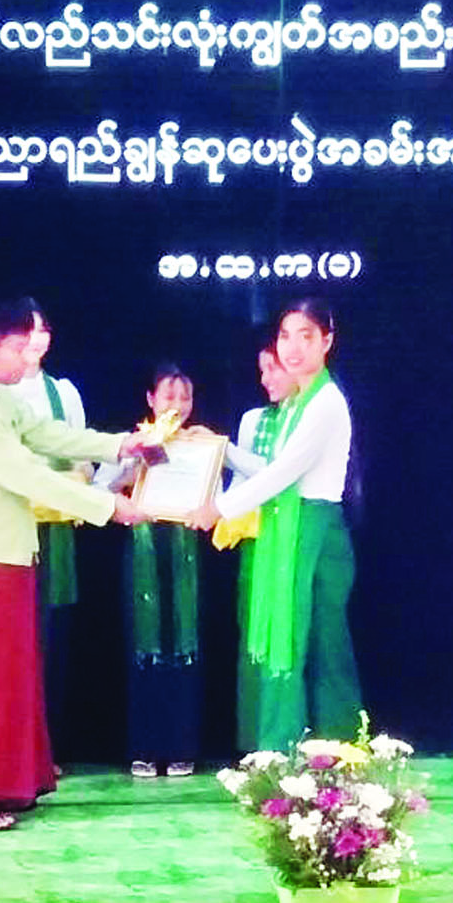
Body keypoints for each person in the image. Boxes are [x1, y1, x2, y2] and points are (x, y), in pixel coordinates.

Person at [0, 293, 148, 830]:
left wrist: (121, 446)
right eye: (17, 347)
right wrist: (108, 507)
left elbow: (41, 432)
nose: (27, 356)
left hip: (1, 555)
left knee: (4, 678)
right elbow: (21, 470)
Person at [190, 300, 361, 751]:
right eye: (286, 336)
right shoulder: (295, 404)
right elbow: (272, 471)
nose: (293, 347)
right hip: (291, 524)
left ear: (327, 341)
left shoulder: (324, 402)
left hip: (311, 526)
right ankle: (291, 751)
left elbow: (284, 473)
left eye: (306, 336)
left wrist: (219, 509)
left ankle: (319, 751)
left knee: (305, 639)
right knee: (301, 637)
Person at [105, 364, 205, 777]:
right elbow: (97, 489)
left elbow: (218, 495)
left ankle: (182, 747)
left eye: (185, 397)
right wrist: (134, 465)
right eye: (168, 396)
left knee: (185, 649)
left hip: (185, 554)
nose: (177, 405)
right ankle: (144, 748)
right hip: (142, 551)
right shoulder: (132, 442)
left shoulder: (202, 445)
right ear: (151, 399)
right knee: (142, 648)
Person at [6, 302, 88, 757]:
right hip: (10, 527)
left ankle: (45, 748)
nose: (37, 338)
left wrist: (82, 483)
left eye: (44, 329)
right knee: (14, 636)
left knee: (51, 636)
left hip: (55, 530)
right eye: (29, 329)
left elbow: (83, 459)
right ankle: (13, 746)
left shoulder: (63, 392)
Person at [221, 341, 297, 752]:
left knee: (290, 637)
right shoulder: (254, 419)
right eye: (262, 370)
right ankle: (255, 745)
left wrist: (225, 451)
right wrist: (212, 508)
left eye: (273, 369)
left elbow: (281, 474)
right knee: (254, 635)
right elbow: (242, 482)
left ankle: (294, 742)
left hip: (296, 538)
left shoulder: (310, 416)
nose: (265, 379)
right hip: (257, 540)